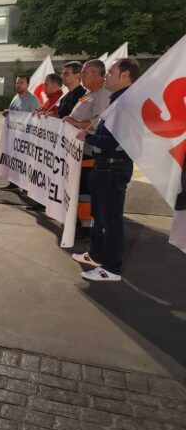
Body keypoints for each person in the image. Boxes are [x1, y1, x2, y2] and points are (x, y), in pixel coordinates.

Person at [73, 58, 140, 282]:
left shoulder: (126, 104)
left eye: (110, 72)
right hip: (105, 167)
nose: (106, 76)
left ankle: (111, 268)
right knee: (100, 217)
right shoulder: (117, 101)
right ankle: (96, 255)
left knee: (111, 220)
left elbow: (117, 142)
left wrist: (88, 136)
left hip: (113, 167)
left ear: (125, 75)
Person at [64, 59, 112, 238]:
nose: (81, 76)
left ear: (98, 74)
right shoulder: (89, 94)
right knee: (79, 189)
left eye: (85, 72)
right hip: (77, 150)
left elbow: (98, 123)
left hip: (89, 151)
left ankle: (87, 226)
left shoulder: (103, 94)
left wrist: (74, 122)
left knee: (86, 190)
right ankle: (81, 222)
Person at [0, 75, 41, 192]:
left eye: (21, 83)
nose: (18, 85)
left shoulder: (33, 100)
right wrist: (8, 113)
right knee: (14, 160)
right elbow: (14, 113)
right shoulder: (16, 97)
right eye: (17, 82)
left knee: (25, 162)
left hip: (25, 138)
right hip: (14, 136)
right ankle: (13, 182)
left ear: (28, 85)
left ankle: (26, 186)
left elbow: (35, 118)